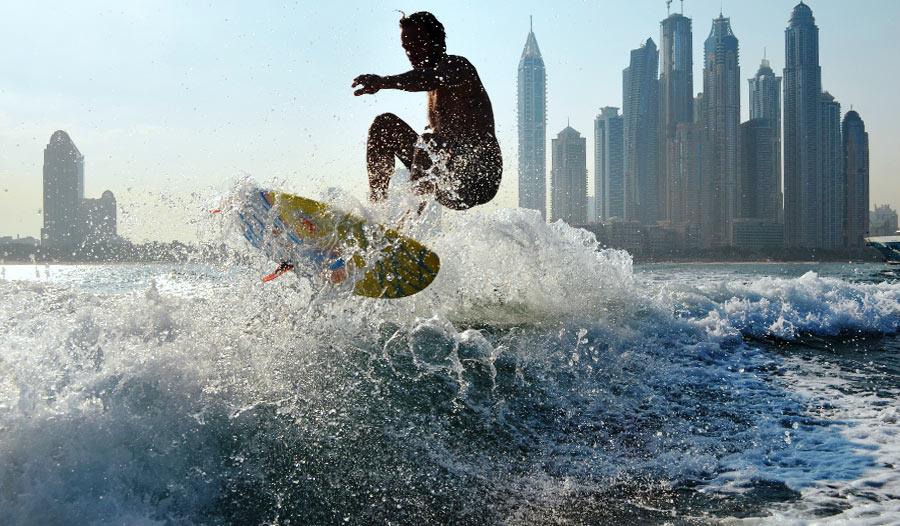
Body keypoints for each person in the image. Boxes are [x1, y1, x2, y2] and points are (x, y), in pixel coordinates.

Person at [352, 11, 501, 211]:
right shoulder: (432, 89)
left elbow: (428, 78)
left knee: (430, 140)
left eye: (417, 45)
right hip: (446, 174)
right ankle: (378, 210)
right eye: (407, 48)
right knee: (383, 125)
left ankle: (409, 224)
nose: (411, 53)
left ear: (437, 41)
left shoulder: (458, 67)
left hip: (480, 175)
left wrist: (382, 82)